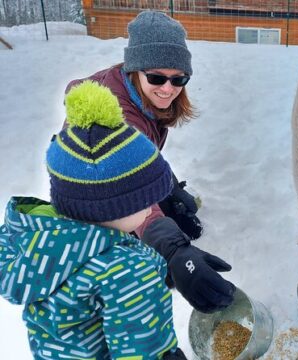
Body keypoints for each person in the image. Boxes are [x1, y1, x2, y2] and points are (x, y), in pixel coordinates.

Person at [0, 81, 188, 359]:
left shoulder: (37, 248)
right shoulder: (129, 271)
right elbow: (143, 348)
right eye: (144, 200)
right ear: (111, 207)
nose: (152, 208)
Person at [65, 10, 236, 313]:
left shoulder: (138, 91)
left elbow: (146, 156)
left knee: (185, 213)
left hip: (124, 174)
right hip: (97, 199)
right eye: (157, 77)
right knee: (156, 258)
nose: (168, 88)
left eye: (178, 78)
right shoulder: (115, 121)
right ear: (136, 70)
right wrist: (173, 251)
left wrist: (168, 185)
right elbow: (128, 188)